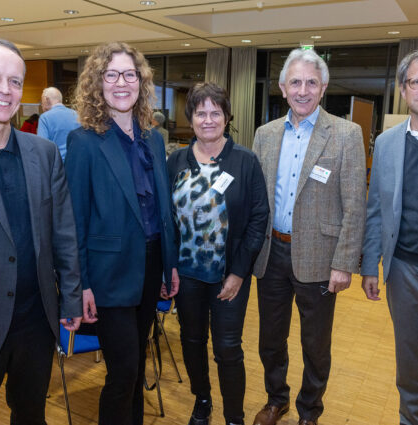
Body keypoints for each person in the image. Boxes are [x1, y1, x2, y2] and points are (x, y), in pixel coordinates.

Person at [65, 41, 179, 425]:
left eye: (129, 74)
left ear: (141, 82)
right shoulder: (84, 141)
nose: (121, 82)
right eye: (111, 74)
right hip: (108, 274)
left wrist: (169, 265)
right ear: (97, 83)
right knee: (124, 370)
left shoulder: (153, 138)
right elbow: (75, 220)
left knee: (137, 365)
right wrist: (81, 285)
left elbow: (163, 210)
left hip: (150, 265)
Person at [252, 48, 367, 425]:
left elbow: (355, 204)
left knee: (315, 344)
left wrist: (344, 263)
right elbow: (256, 199)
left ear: (324, 88)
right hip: (272, 253)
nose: (303, 90)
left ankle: (309, 410)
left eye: (311, 83)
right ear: (283, 87)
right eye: (296, 82)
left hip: (320, 257)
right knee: (270, 338)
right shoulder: (265, 135)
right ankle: (276, 399)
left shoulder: (346, 134)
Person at [167, 82, 269, 425]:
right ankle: (202, 399)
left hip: (229, 275)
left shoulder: (245, 161)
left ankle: (234, 416)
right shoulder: (175, 161)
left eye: (215, 113)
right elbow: (165, 220)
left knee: (227, 348)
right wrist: (169, 267)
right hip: (186, 275)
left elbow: (259, 218)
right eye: (201, 113)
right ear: (191, 118)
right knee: (191, 341)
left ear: (227, 117)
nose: (208, 120)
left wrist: (239, 272)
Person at [0, 39, 82, 424]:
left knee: (30, 415)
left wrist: (72, 299)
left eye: (15, 81)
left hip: (35, 321)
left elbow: (64, 233)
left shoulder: (43, 154)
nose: (5, 89)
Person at [361, 50, 418, 425]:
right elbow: (376, 210)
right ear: (403, 89)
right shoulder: (387, 144)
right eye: (415, 82)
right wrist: (370, 266)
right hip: (403, 268)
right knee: (409, 355)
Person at [37, 86, 79, 161]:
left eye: (41, 102)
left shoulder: (45, 118)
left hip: (56, 164)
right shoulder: (77, 115)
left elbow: (42, 147)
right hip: (75, 162)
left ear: (47, 99)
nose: (42, 105)